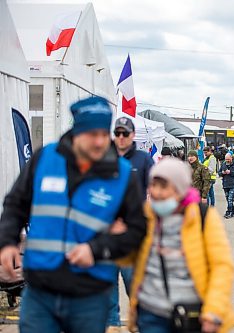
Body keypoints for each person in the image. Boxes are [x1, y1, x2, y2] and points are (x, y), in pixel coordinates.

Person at [0, 96, 147, 333]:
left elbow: (138, 229)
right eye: (92, 134)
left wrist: (97, 249)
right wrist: (6, 242)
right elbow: (16, 203)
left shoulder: (121, 174)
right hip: (40, 290)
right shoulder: (45, 159)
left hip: (90, 295)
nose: (100, 142)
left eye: (103, 133)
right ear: (76, 132)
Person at [122, 158, 234, 333]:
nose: (157, 193)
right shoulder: (146, 215)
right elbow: (127, 257)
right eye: (154, 185)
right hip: (150, 312)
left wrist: (214, 310)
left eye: (164, 187)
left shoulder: (203, 217)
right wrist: (120, 235)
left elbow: (222, 266)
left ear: (181, 189)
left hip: (191, 314)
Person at [108, 117, 154, 332]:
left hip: (131, 231)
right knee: (107, 282)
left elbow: (155, 191)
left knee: (132, 281)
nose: (121, 137)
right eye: (117, 133)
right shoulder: (104, 158)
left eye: (125, 133)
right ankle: (112, 325)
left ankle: (139, 320)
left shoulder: (143, 159)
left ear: (133, 135)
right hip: (106, 232)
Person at [218, 153, 234, 219]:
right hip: (225, 184)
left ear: (231, 158)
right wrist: (222, 173)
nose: (227, 160)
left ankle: (229, 211)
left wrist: (230, 172)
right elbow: (219, 172)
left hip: (233, 184)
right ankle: (233, 211)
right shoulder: (224, 164)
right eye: (226, 159)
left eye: (228, 159)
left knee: (230, 199)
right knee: (228, 199)